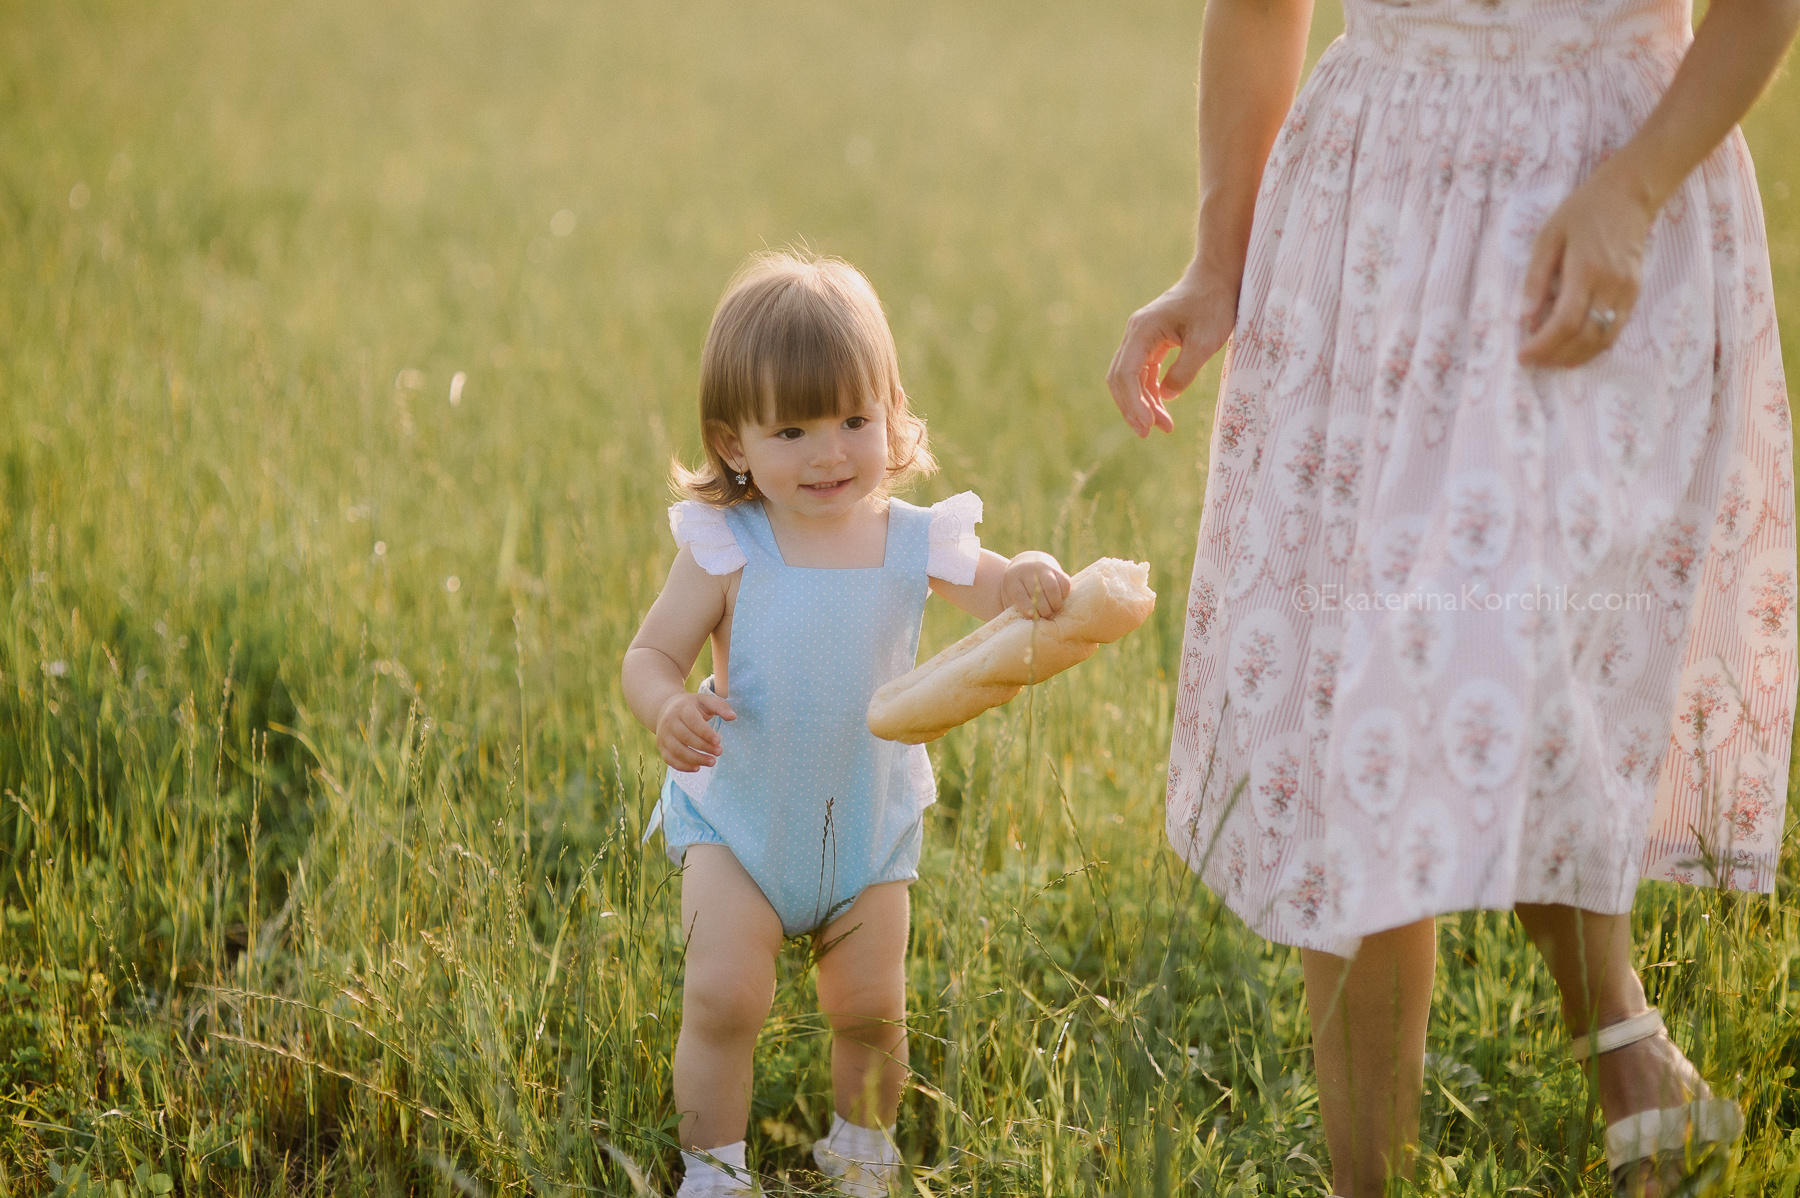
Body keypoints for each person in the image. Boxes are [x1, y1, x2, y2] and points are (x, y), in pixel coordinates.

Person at [1107, 0, 1800, 1190]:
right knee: (1354, 727)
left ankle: (1627, 1047)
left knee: (1489, 668)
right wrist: (1220, 262)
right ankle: (1412, 1163)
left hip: (1592, 202)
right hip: (1370, 213)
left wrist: (1633, 191)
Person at [623, 251, 1071, 1198]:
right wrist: (669, 706)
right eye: (793, 429)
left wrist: (1026, 574)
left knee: (870, 1009)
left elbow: (992, 585)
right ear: (733, 441)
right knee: (724, 998)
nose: (831, 454)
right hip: (740, 823)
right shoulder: (728, 545)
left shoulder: (911, 539)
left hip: (866, 829)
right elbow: (649, 656)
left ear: (892, 410)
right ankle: (714, 1169)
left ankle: (861, 1153)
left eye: (855, 421)